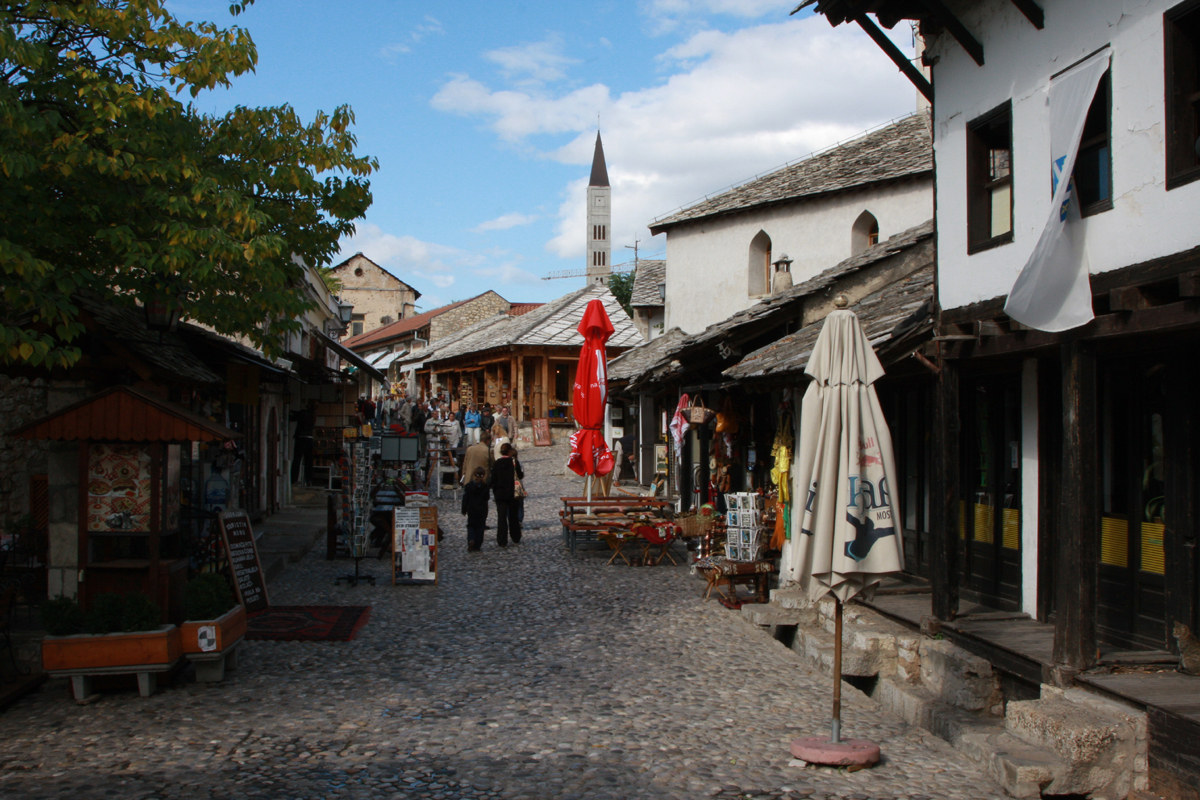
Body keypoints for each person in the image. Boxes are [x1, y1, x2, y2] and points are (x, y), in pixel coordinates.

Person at [491, 442, 523, 547]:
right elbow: (520, 475)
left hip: (500, 494)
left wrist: (495, 491)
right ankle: (515, 537)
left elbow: (493, 480)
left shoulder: (496, 463)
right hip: (512, 493)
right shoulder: (514, 463)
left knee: (501, 517)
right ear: (509, 452)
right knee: (513, 516)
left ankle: (502, 540)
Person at [461, 466, 489, 552]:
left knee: (471, 526)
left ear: (474, 474)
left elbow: (465, 498)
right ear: (484, 475)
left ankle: (471, 539)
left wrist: (464, 509)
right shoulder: (485, 486)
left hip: (471, 509)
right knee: (480, 527)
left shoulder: (469, 486)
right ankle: (477, 545)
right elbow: (487, 497)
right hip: (482, 509)